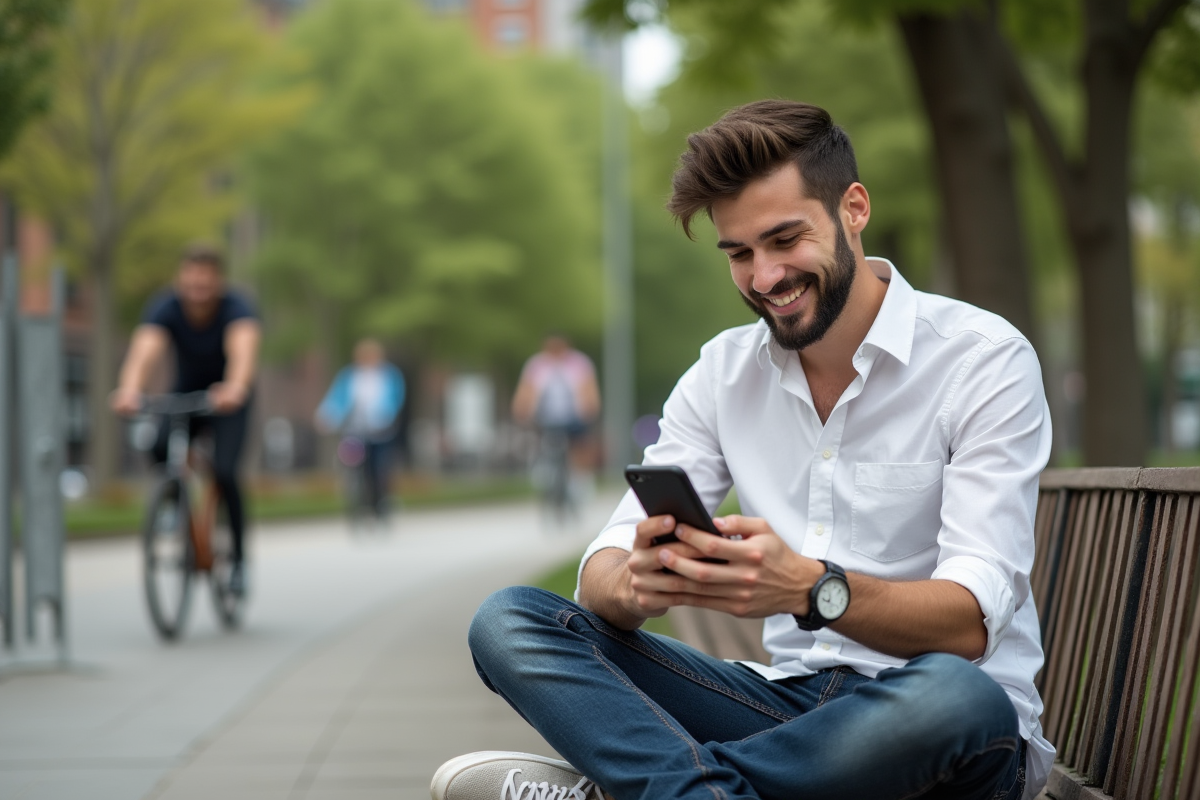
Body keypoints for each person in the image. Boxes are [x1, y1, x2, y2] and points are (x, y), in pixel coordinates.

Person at [433, 100, 1053, 800]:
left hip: (936, 723)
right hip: (782, 712)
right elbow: (600, 567)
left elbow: (970, 624)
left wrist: (807, 588)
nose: (764, 278)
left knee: (957, 695)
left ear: (853, 208)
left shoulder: (983, 360)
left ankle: (649, 790)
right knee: (513, 621)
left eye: (785, 240)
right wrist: (638, 582)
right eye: (739, 254)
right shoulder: (722, 375)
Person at [112, 244, 261, 596]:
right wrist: (129, 389)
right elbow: (144, 352)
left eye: (206, 283)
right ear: (181, 280)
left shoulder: (237, 307)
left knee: (225, 472)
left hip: (228, 398)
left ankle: (238, 561)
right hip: (185, 392)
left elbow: (243, 350)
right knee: (159, 446)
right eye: (192, 283)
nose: (198, 291)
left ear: (219, 282)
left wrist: (236, 386)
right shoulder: (166, 306)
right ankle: (175, 505)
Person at [314, 338, 406, 521]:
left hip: (381, 432)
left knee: (379, 468)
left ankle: (381, 502)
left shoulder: (389, 376)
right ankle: (357, 503)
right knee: (354, 467)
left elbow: (396, 399)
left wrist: (385, 414)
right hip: (355, 431)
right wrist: (326, 415)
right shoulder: (349, 376)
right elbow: (337, 398)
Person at [511, 334, 601, 503]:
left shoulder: (579, 363)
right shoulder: (536, 365)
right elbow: (525, 390)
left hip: (574, 416)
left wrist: (590, 409)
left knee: (580, 446)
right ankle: (543, 475)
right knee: (538, 443)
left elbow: (589, 390)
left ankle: (581, 482)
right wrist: (521, 410)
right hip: (545, 417)